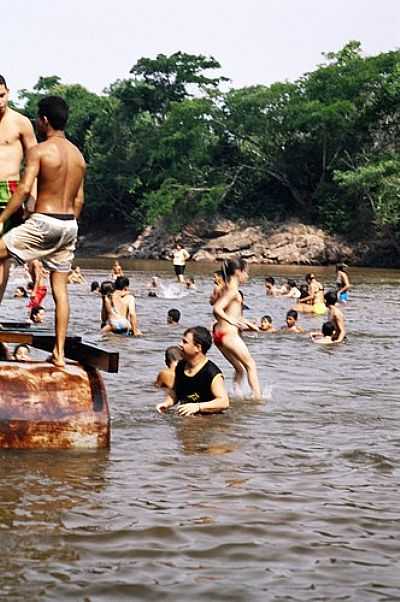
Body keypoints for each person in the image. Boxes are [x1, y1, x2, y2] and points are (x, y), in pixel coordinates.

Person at [0, 95, 86, 367]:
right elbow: (80, 200)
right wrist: (68, 229)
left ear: (44, 121)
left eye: (38, 118)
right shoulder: (78, 156)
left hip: (44, 221)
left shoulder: (40, 151)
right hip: (69, 225)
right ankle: (59, 354)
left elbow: (25, 190)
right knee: (60, 289)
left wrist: (3, 217)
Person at [0, 74, 37, 302]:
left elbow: (35, 161)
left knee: (2, 257)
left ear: (8, 92)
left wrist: (31, 198)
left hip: (11, 192)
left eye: (1, 95)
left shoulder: (21, 122)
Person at [213, 258, 262, 399]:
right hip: (229, 336)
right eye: (246, 272)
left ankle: (235, 394)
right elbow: (217, 309)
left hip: (219, 336)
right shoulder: (233, 291)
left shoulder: (223, 287)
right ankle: (257, 398)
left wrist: (247, 325)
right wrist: (231, 321)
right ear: (237, 272)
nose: (247, 275)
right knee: (251, 365)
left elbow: (225, 311)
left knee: (239, 369)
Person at [156, 326, 229, 416]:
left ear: (197, 347)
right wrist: (166, 403)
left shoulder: (212, 373)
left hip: (209, 421)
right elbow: (175, 393)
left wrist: (197, 407)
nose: (180, 345)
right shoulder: (181, 366)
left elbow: (224, 402)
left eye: (185, 342)